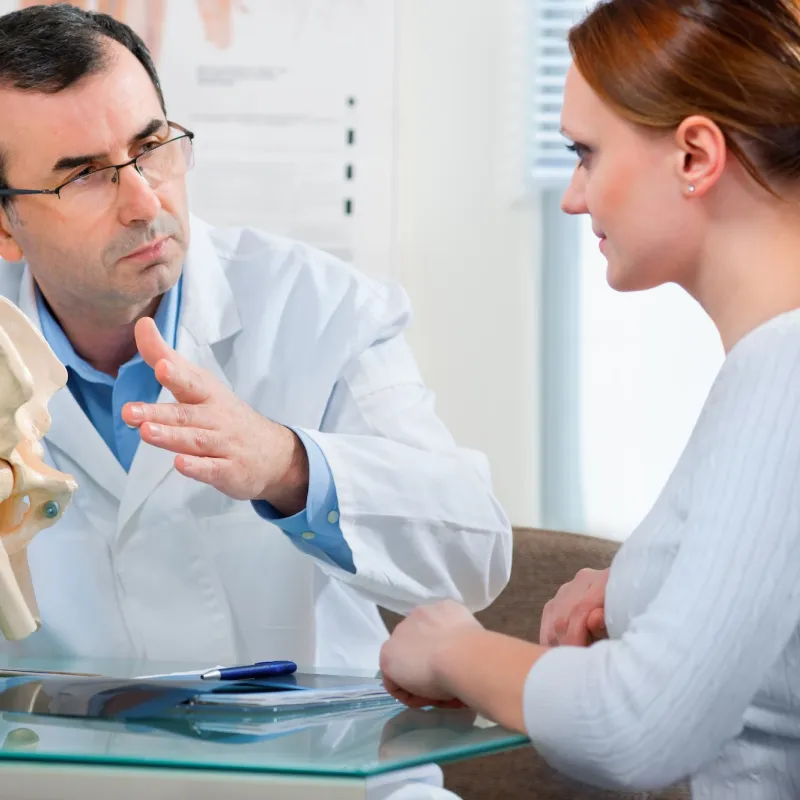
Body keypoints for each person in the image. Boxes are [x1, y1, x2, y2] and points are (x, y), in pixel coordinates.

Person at [0, 4, 512, 673]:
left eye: (152, 149)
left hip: (320, 769)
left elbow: (473, 558)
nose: (145, 202)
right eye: (87, 175)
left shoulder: (321, 308)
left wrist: (287, 466)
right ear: (6, 229)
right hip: (72, 773)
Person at [379, 0, 800, 796]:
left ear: (695, 155)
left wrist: (451, 649)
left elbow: (634, 728)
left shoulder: (783, 370)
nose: (574, 196)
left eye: (587, 153)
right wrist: (651, 588)